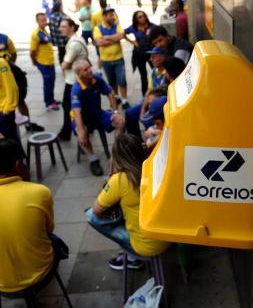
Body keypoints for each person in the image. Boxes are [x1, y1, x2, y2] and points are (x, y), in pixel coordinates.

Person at [86, 134, 170, 270]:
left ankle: (132, 258)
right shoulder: (157, 166)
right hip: (169, 237)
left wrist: (112, 173)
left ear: (117, 159)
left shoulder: (120, 180)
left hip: (147, 246)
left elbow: (96, 209)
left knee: (91, 215)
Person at [0, 138, 68, 293]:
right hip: (38, 274)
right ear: (18, 165)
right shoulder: (39, 192)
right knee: (54, 240)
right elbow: (48, 229)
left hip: (2, 284)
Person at [71, 59, 125, 176]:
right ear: (79, 74)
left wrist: (115, 111)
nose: (90, 70)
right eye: (86, 70)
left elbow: (110, 93)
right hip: (81, 118)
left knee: (120, 122)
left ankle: (116, 152)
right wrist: (81, 132)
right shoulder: (76, 89)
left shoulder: (96, 78)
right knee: (82, 134)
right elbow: (77, 113)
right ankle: (93, 160)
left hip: (97, 114)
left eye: (89, 67)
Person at [0, 33, 45, 132]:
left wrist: (10, 66)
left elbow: (13, 53)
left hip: (9, 73)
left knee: (20, 100)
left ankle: (28, 124)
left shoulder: (4, 38)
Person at [58, 19, 89, 141]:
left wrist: (62, 65)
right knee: (76, 105)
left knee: (67, 106)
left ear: (72, 27)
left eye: (64, 26)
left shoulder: (74, 44)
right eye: (61, 26)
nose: (61, 29)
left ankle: (67, 133)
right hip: (79, 78)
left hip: (73, 80)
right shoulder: (77, 39)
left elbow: (65, 65)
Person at [93, 8, 129, 109]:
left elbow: (121, 35)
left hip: (118, 59)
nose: (112, 17)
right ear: (104, 16)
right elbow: (99, 42)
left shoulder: (117, 25)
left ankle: (124, 100)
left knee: (122, 80)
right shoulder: (97, 28)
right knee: (112, 81)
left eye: (113, 15)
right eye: (110, 15)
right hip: (106, 60)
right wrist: (114, 39)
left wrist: (106, 37)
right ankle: (117, 96)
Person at [30, 13, 59, 111]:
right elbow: (32, 51)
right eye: (42, 20)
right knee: (48, 83)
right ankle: (49, 103)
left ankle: (51, 99)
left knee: (51, 82)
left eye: (45, 20)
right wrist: (34, 61)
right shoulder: (36, 34)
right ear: (37, 21)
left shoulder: (44, 31)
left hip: (50, 62)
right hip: (43, 63)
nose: (44, 22)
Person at [124, 11, 156, 95]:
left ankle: (157, 90)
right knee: (143, 75)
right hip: (139, 54)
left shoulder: (151, 26)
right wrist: (132, 42)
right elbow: (123, 33)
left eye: (143, 16)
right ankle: (144, 95)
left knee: (156, 71)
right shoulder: (134, 27)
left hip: (151, 54)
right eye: (140, 17)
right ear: (136, 19)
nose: (143, 18)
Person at [0, 57, 19, 143]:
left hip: (3, 111)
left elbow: (11, 88)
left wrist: (7, 110)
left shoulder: (1, 63)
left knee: (10, 145)